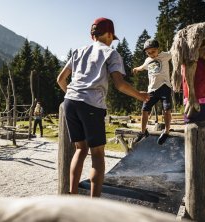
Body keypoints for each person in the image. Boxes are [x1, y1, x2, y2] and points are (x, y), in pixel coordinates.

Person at [57, 17, 149, 197]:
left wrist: (74, 94)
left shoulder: (78, 51)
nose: (111, 40)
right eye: (111, 37)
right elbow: (120, 84)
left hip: (70, 102)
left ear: (92, 35)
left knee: (80, 149)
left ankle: (72, 196)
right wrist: (141, 96)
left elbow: (60, 79)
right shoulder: (111, 53)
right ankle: (95, 204)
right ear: (108, 34)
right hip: (91, 104)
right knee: (97, 154)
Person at [132, 39, 173, 145]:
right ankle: (142, 131)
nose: (151, 55)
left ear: (158, 49)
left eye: (153, 52)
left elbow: (175, 51)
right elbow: (142, 67)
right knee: (144, 109)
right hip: (151, 90)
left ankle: (167, 131)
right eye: (148, 53)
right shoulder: (147, 60)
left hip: (164, 87)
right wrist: (137, 69)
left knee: (167, 109)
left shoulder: (165, 55)